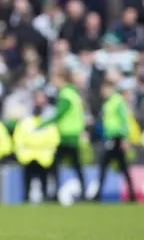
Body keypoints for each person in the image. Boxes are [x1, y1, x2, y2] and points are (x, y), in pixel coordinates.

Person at [37, 72, 87, 201]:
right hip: (73, 134)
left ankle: (55, 193)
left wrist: (42, 124)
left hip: (67, 136)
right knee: (76, 165)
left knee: (55, 165)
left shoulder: (65, 95)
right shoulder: (74, 94)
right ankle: (83, 192)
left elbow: (58, 114)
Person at [94, 80, 136, 202]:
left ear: (110, 89)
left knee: (106, 166)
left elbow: (124, 121)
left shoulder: (117, 101)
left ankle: (98, 195)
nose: (102, 92)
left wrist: (125, 139)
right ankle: (131, 194)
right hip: (111, 138)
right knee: (122, 167)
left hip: (117, 138)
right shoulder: (109, 103)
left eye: (104, 89)